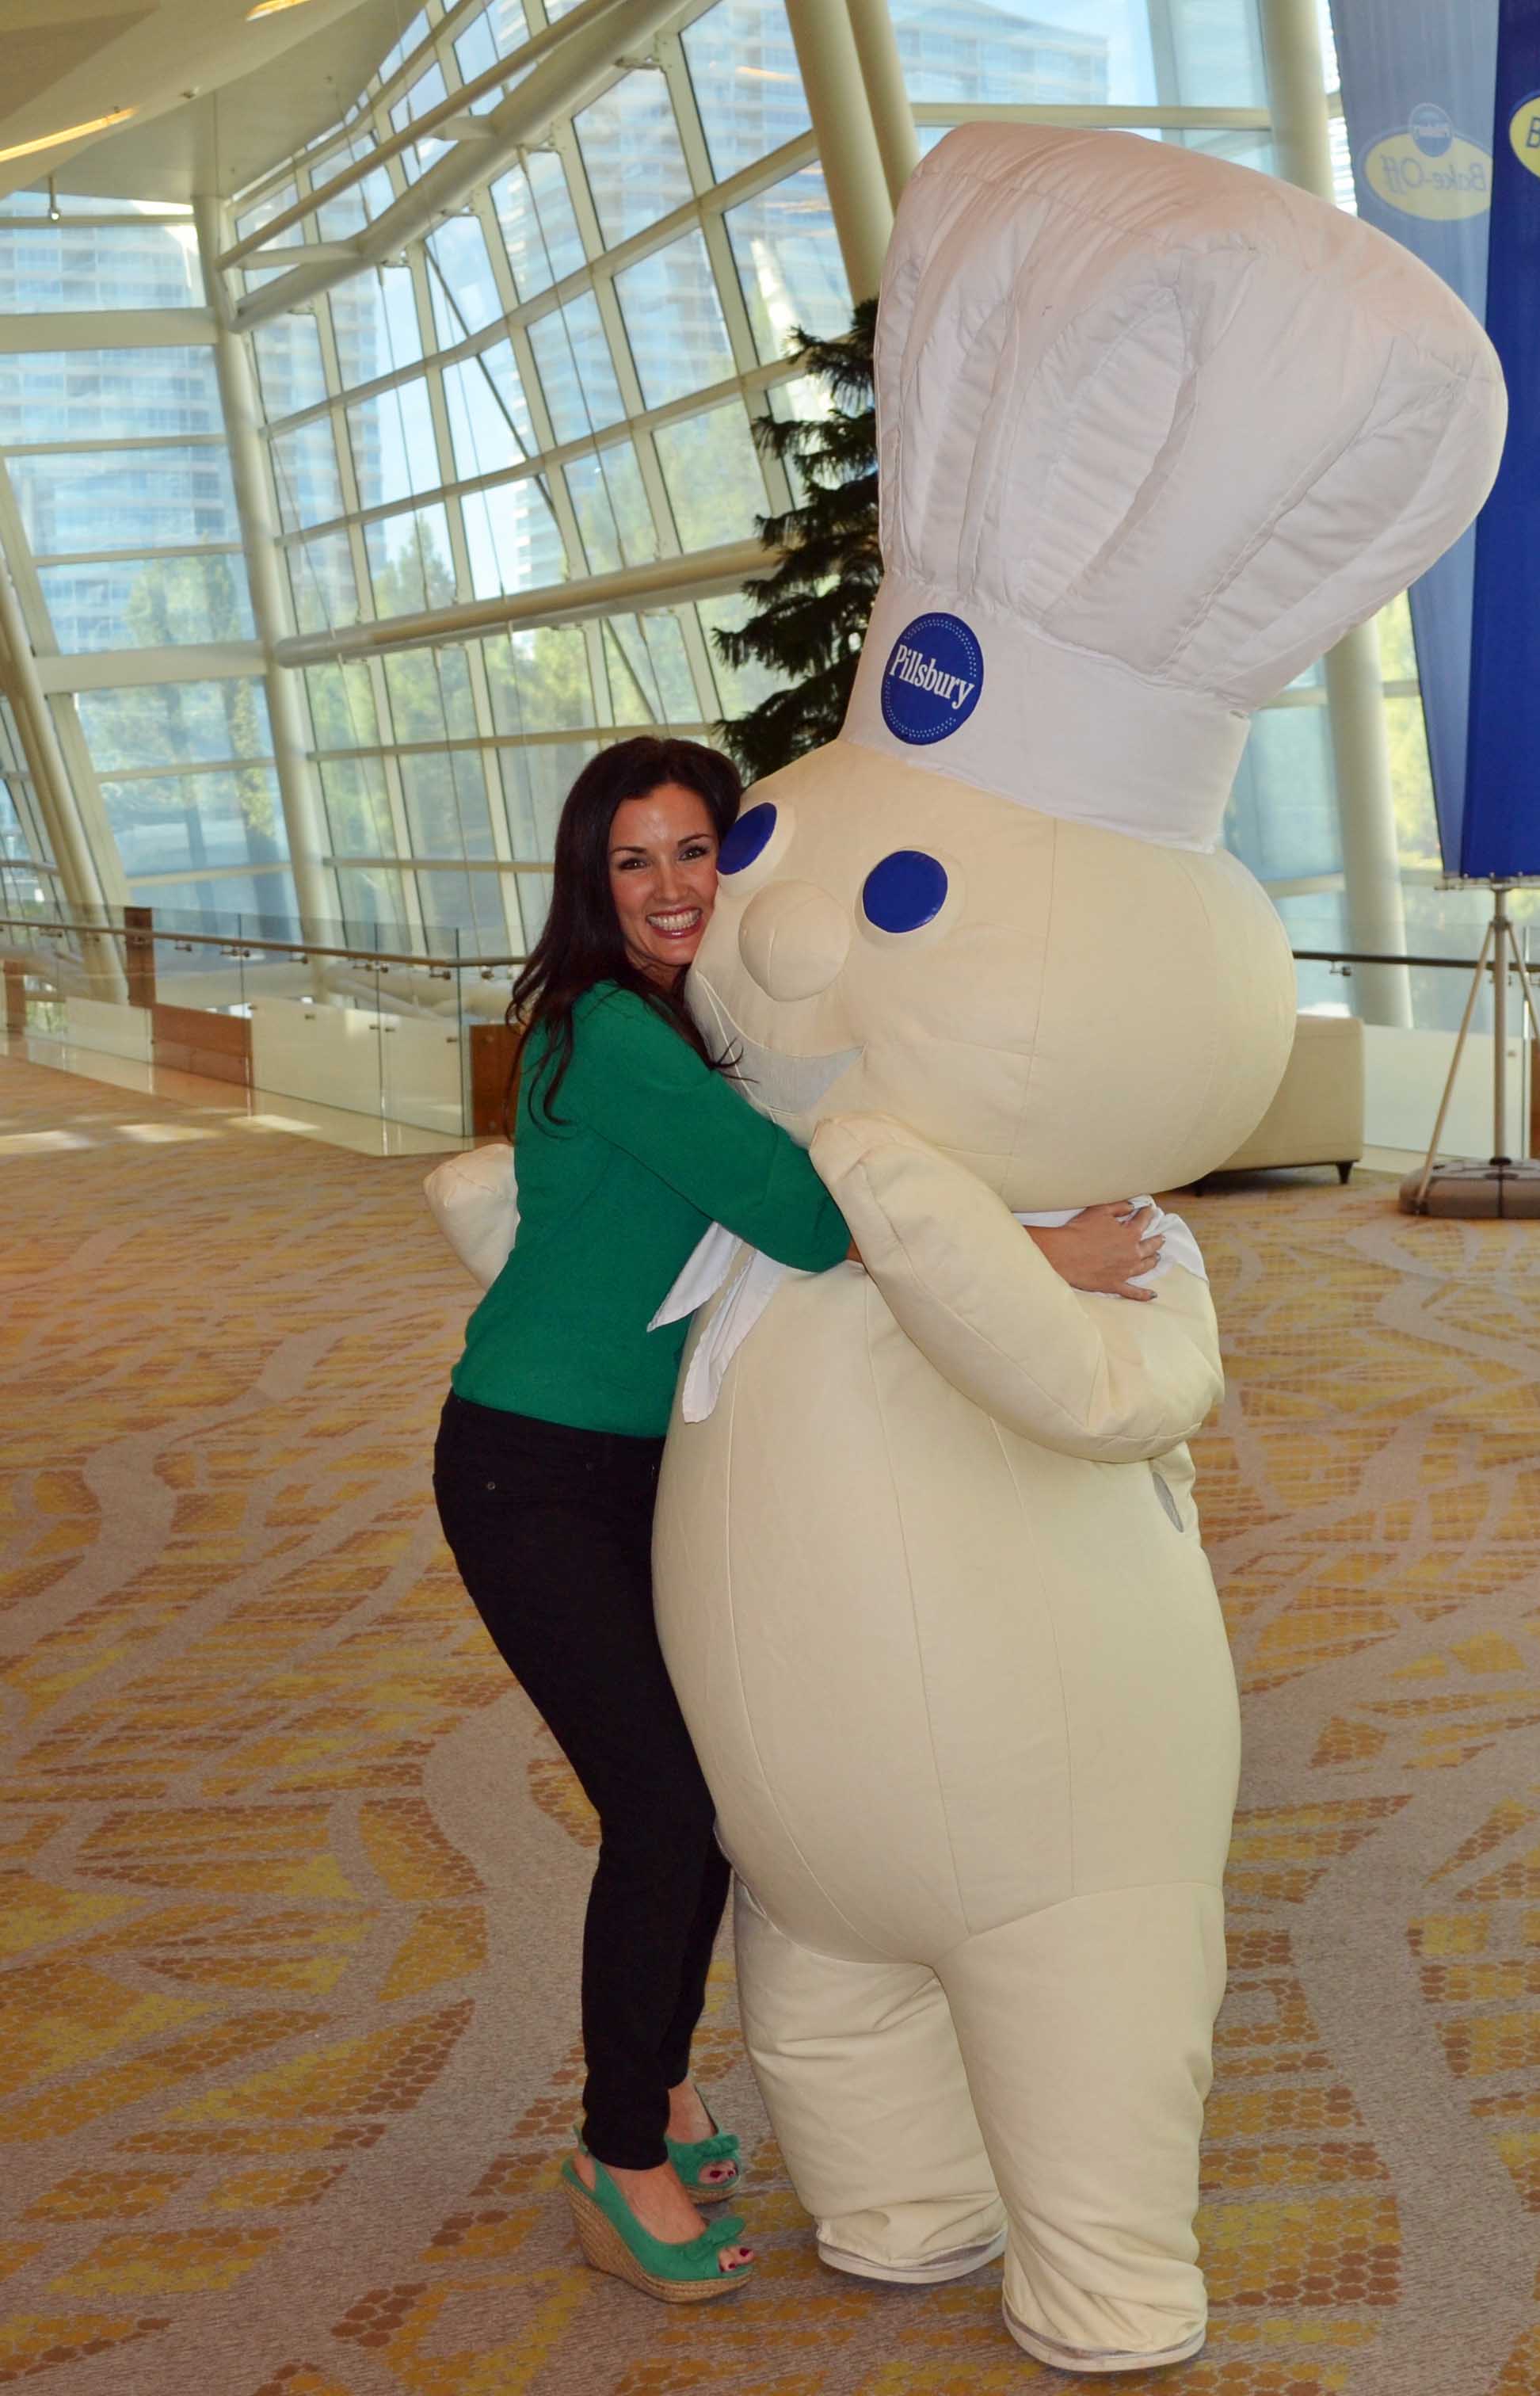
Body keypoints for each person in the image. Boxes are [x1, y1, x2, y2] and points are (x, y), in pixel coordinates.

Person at [431, 734, 1161, 2306]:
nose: (671, 888)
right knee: (668, 1809)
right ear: (591, 882)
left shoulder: (697, 1028)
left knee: (702, 1793)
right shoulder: (614, 1036)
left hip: (637, 1464)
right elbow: (805, 1216)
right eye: (633, 861)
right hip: (529, 1472)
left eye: (695, 852)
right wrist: (1040, 1256)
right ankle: (622, 2144)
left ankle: (665, 2093)